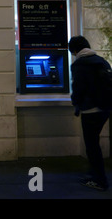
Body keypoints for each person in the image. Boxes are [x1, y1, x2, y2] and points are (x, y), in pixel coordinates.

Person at [68, 35, 110, 191]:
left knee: (92, 146)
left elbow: (78, 89)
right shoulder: (102, 61)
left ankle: (100, 181)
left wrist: (75, 102)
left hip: (90, 111)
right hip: (105, 109)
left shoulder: (79, 64)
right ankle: (94, 174)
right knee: (94, 144)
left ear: (75, 50)